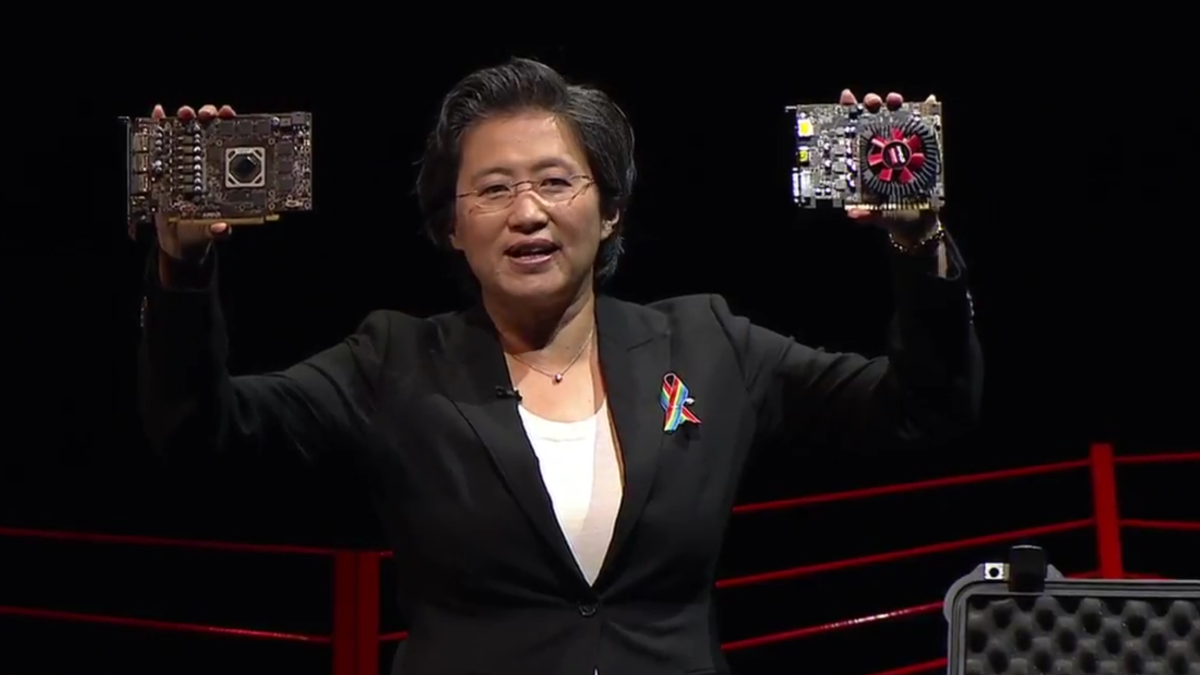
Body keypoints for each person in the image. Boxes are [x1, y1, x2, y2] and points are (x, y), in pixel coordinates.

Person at [139, 58, 982, 675]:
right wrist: (184, 271)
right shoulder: (393, 361)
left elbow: (923, 409)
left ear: (609, 209)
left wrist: (919, 244)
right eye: (493, 190)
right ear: (451, 226)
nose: (528, 213)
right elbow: (203, 432)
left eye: (555, 181)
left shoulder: (707, 343)